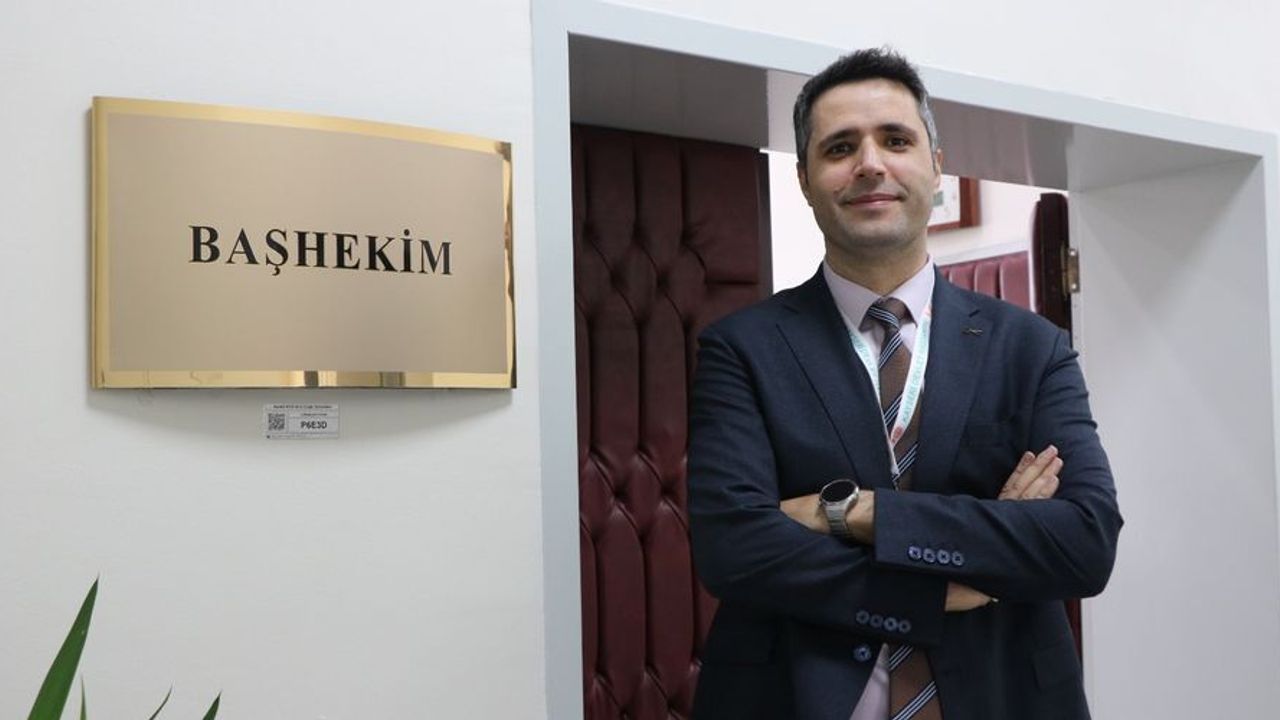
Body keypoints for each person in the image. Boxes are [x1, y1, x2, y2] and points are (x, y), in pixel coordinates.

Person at [687, 47, 1122, 720]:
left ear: (936, 165)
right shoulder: (741, 349)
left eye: (895, 140)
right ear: (804, 180)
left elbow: (1084, 542)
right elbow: (735, 548)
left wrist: (853, 513)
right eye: (840, 148)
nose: (870, 163)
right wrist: (955, 580)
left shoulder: (1032, 347)